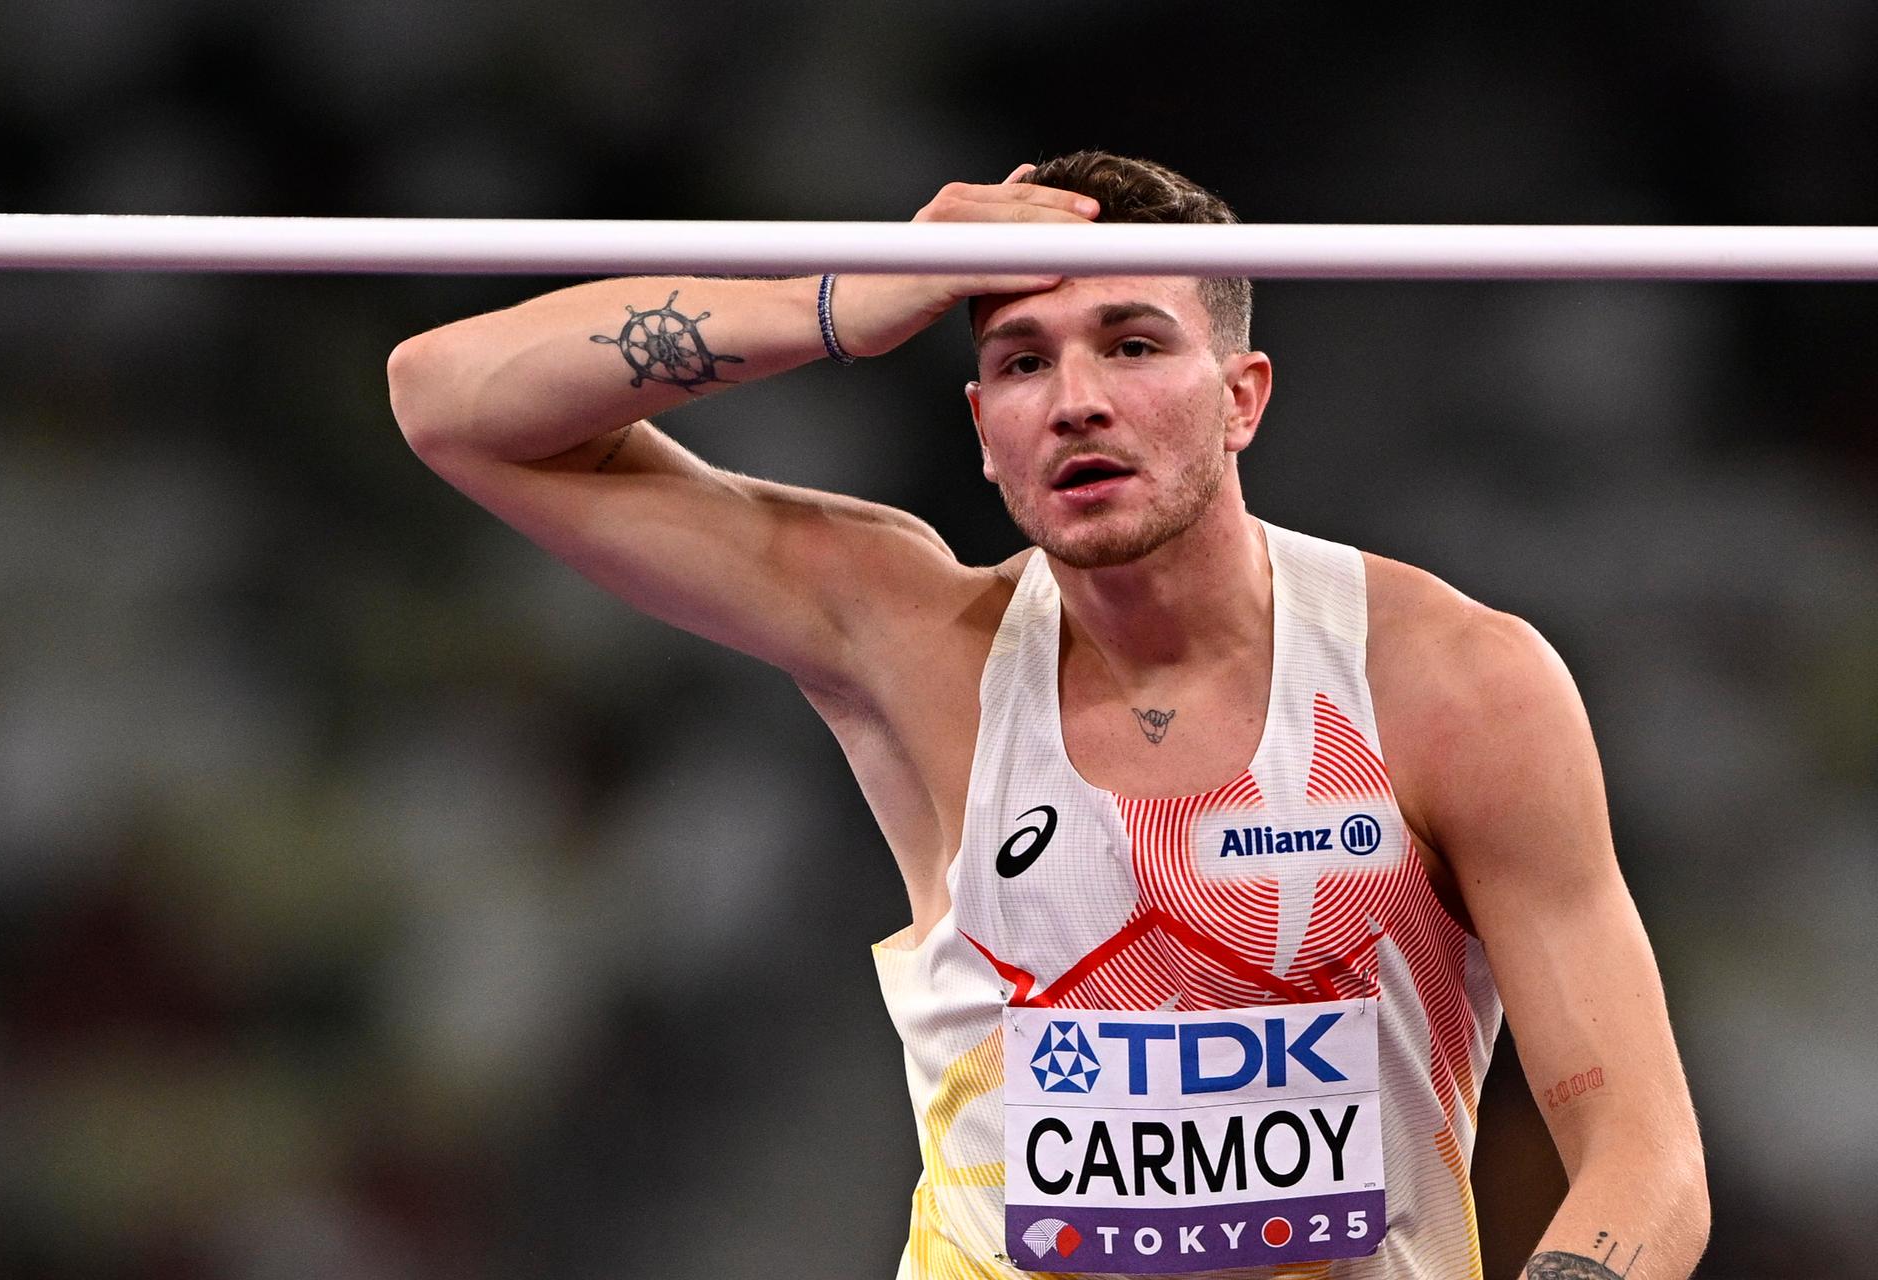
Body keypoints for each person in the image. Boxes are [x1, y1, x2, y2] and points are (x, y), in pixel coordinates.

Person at [386, 151, 1709, 1279]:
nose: (1076, 397)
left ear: (1241, 395)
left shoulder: (1452, 685)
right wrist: (836, 301)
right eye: (1023, 361)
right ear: (982, 427)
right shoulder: (917, 646)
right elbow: (450, 402)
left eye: (1133, 344)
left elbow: (1646, 1160)